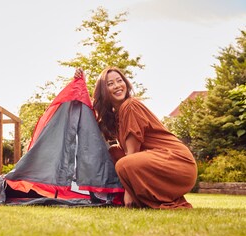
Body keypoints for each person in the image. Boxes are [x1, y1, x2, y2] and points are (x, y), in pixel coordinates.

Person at [75, 67, 197, 209]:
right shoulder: (116, 116)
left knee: (123, 164)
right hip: (159, 162)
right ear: (104, 90)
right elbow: (92, 122)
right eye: (110, 84)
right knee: (114, 152)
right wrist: (81, 83)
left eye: (119, 81)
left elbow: (132, 153)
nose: (117, 86)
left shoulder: (130, 106)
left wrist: (129, 192)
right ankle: (121, 195)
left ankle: (136, 197)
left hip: (178, 162)